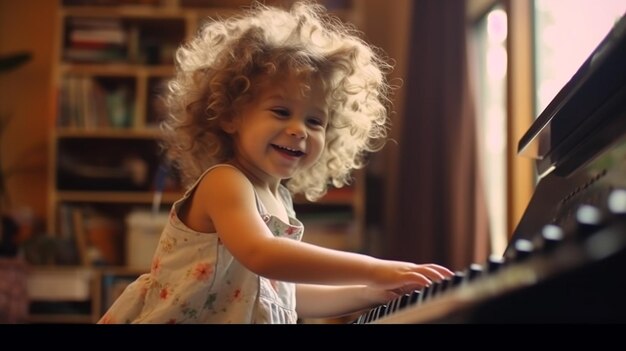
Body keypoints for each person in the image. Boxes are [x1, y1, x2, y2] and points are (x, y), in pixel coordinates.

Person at [98, 0, 453, 324]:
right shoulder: (226, 182)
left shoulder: (279, 202)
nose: (299, 130)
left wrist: (370, 294)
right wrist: (377, 270)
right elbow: (262, 254)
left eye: (316, 121)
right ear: (230, 116)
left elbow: (280, 296)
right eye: (281, 112)